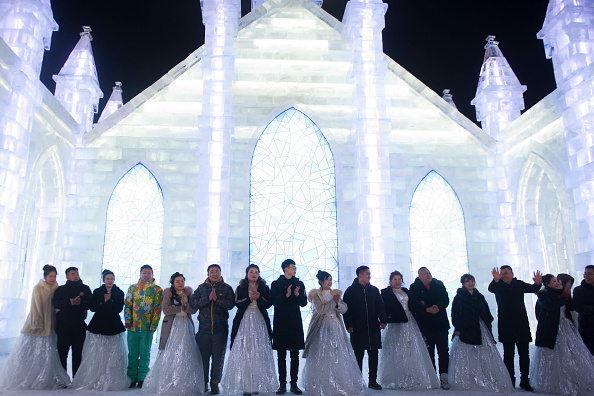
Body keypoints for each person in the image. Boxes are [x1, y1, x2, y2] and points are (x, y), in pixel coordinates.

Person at [0, 265, 70, 390]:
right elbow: (35, 307)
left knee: (49, 352)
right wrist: (37, 322)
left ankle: (47, 377)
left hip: (51, 325)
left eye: (54, 276)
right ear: (45, 277)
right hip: (37, 325)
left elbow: (57, 306)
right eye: (50, 276)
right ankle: (29, 376)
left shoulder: (57, 289)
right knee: (32, 351)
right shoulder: (38, 288)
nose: (53, 279)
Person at [302, 270, 366, 396]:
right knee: (322, 353)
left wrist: (337, 304)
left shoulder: (335, 294)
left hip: (336, 326)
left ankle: (338, 382)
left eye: (331, 280)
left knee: (337, 353)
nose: (330, 282)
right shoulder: (316, 295)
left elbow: (344, 309)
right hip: (322, 326)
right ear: (321, 281)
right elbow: (320, 310)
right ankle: (321, 383)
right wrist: (333, 302)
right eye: (327, 280)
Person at [530, 274, 594, 395]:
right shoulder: (543, 295)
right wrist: (563, 298)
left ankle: (572, 380)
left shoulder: (561, 294)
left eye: (558, 281)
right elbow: (550, 306)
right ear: (547, 284)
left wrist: (567, 296)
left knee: (571, 355)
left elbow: (573, 307)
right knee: (550, 357)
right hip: (550, 329)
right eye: (554, 281)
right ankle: (552, 383)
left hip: (566, 327)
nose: (557, 283)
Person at [448, 274, 513, 392]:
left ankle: (485, 377)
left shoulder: (480, 296)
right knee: (466, 354)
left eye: (472, 281)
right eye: (468, 281)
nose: (471, 283)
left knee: (485, 353)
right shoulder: (459, 297)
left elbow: (486, 312)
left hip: (480, 327)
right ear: (463, 283)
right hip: (466, 328)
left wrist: (487, 321)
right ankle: (467, 378)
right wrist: (457, 327)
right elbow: (455, 313)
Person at [142, 272, 204, 395]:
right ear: (173, 283)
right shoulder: (168, 294)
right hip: (173, 325)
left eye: (182, 281)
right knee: (171, 352)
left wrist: (186, 306)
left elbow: (193, 310)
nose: (180, 283)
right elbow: (166, 310)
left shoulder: (188, 294)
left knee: (187, 352)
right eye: (177, 281)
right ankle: (169, 381)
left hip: (186, 325)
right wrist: (179, 307)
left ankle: (186, 382)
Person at [222, 264, 278, 395]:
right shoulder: (240, 287)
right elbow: (237, 304)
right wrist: (250, 299)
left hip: (259, 319)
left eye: (256, 272)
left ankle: (258, 383)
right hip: (244, 320)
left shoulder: (264, 287)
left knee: (259, 350)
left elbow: (268, 304)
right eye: (251, 272)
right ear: (247, 274)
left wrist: (259, 299)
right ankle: (245, 384)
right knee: (245, 351)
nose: (254, 274)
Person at [378, 270, 439, 390]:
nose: (397, 281)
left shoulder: (406, 291)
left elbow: (413, 304)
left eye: (399, 279)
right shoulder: (385, 292)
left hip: (409, 320)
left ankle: (412, 375)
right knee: (396, 349)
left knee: (411, 347)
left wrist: (425, 308)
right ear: (390, 281)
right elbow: (383, 307)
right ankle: (396, 377)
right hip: (396, 322)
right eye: (394, 279)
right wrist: (384, 320)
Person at [72, 269, 130, 390]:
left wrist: (110, 302)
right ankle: (95, 376)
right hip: (98, 324)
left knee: (113, 352)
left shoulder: (118, 292)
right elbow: (92, 307)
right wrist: (103, 302)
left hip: (113, 325)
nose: (110, 281)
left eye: (112, 279)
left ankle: (112, 377)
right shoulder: (97, 291)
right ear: (103, 280)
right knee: (97, 352)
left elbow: (118, 308)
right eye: (107, 279)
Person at [488, 265, 542, 391]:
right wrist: (496, 280)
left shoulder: (519, 284)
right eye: (502, 274)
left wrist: (538, 283)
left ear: (512, 273)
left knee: (524, 353)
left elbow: (533, 288)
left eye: (506, 273)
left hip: (521, 323)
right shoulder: (498, 285)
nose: (504, 276)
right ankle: (509, 380)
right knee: (508, 354)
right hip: (506, 324)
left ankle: (525, 380)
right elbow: (491, 289)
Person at [190, 263, 235, 395]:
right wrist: (207, 299)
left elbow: (230, 305)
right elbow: (193, 303)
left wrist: (217, 300)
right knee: (202, 357)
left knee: (218, 358)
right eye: (212, 271)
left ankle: (214, 382)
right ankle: (203, 382)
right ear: (208, 273)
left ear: (220, 273)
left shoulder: (227, 288)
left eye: (217, 271)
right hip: (203, 329)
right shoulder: (201, 288)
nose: (214, 273)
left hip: (220, 329)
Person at [343, 265, 387, 391]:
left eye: (369, 274)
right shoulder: (350, 291)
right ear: (360, 275)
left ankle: (372, 381)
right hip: (357, 328)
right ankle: (357, 381)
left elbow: (380, 306)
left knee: (374, 355)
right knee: (358, 355)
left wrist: (383, 320)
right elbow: (347, 311)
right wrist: (349, 325)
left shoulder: (374, 290)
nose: (369, 276)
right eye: (367, 273)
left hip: (373, 327)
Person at [408, 267, 451, 389]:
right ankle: (431, 377)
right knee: (429, 351)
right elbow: (413, 304)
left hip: (440, 323)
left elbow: (445, 299)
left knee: (443, 351)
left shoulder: (438, 284)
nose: (428, 275)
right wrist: (426, 309)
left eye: (429, 273)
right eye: (425, 274)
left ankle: (444, 377)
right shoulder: (415, 287)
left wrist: (437, 306)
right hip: (425, 324)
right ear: (419, 276)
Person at [270, 258, 307, 395]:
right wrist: (286, 295)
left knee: (295, 354)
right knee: (281, 354)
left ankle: (294, 384)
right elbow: (273, 301)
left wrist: (297, 295)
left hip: (295, 322)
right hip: (281, 322)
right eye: (293, 267)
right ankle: (282, 384)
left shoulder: (299, 283)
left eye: (295, 267)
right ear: (285, 268)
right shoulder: (276, 284)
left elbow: (303, 303)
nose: (295, 269)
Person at [125, 264, 163, 388]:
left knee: (145, 353)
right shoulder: (132, 288)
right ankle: (131, 378)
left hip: (147, 327)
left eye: (149, 273)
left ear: (152, 275)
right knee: (132, 353)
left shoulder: (157, 290)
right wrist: (128, 320)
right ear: (140, 274)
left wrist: (154, 325)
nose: (146, 275)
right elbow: (128, 305)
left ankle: (142, 378)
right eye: (144, 273)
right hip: (133, 327)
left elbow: (157, 309)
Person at [52, 266, 92, 377]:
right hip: (64, 325)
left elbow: (90, 304)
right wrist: (69, 302)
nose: (76, 276)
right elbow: (55, 303)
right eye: (73, 274)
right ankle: (62, 379)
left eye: (77, 273)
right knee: (62, 353)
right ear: (67, 276)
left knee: (78, 353)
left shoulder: (85, 288)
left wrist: (80, 303)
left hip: (79, 325)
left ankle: (77, 378)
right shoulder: (61, 290)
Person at [573, 265, 594, 354]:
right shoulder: (578, 290)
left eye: (589, 274)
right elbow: (577, 306)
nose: (586, 276)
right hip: (587, 325)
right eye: (585, 274)